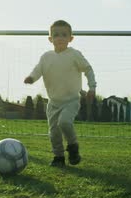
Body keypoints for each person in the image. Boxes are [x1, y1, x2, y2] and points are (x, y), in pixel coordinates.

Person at [24, 20, 96, 167]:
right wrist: (31, 78)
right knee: (54, 132)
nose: (60, 38)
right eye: (56, 35)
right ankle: (58, 157)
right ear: (50, 39)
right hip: (53, 102)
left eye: (64, 34)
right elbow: (38, 70)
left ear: (71, 38)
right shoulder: (46, 57)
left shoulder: (74, 55)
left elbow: (88, 69)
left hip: (71, 100)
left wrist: (92, 87)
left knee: (64, 122)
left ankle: (73, 146)